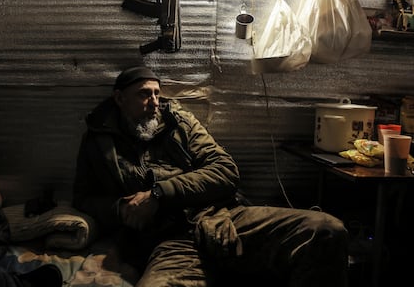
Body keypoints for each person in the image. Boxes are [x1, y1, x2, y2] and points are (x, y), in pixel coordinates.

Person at [72, 66, 350, 287]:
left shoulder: (179, 123)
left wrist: (160, 194)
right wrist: (121, 208)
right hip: (171, 242)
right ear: (119, 99)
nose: (154, 102)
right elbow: (84, 198)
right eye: (144, 94)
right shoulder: (98, 142)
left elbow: (225, 171)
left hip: (221, 218)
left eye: (157, 93)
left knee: (325, 229)